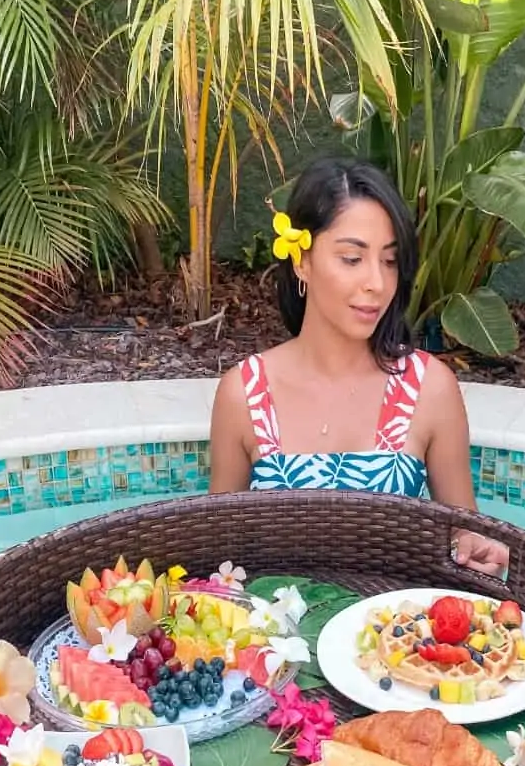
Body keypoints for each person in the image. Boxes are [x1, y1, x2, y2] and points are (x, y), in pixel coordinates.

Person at [209, 156, 509, 579]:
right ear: (302, 261)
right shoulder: (245, 393)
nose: (377, 283)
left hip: (391, 634)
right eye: (352, 258)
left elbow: (464, 532)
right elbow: (220, 551)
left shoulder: (427, 388)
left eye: (389, 261)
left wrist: (477, 552)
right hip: (275, 638)